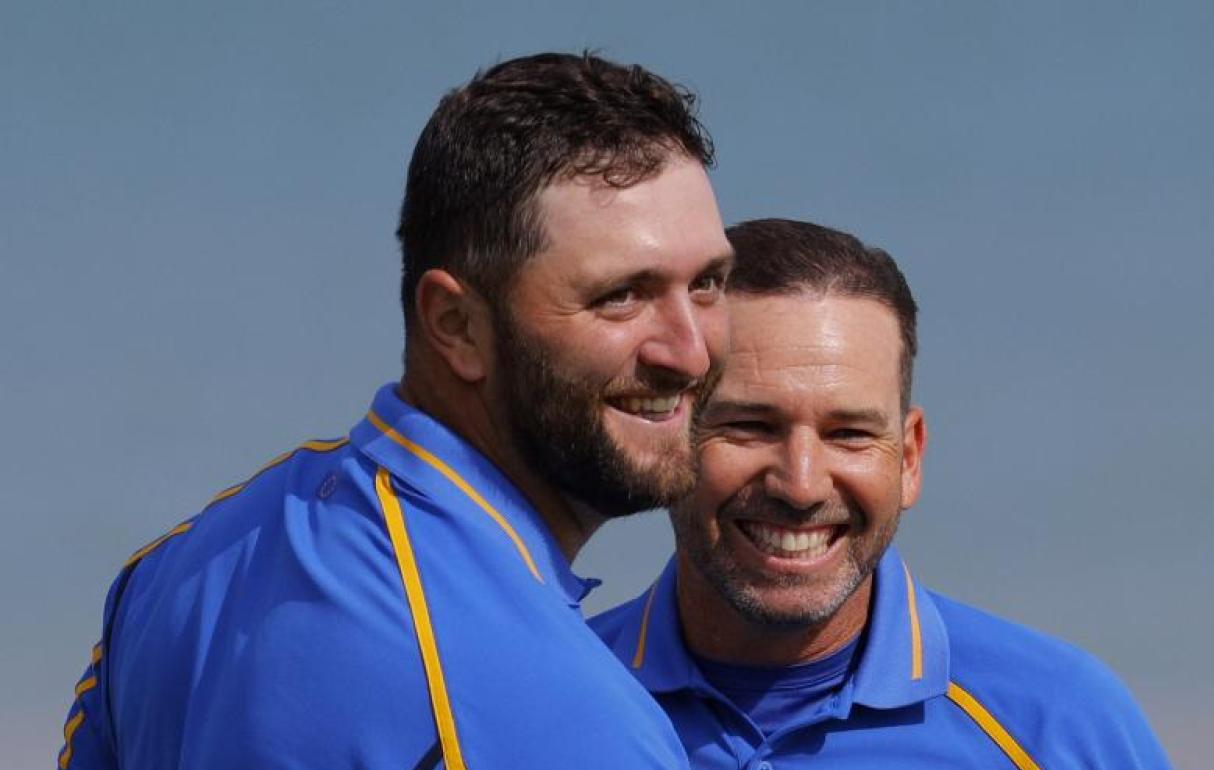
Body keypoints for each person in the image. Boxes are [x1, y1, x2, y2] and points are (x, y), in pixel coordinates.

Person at [58, 52, 735, 770]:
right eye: (621, 296)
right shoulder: (576, 719)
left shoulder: (179, 572)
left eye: (708, 283)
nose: (690, 353)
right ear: (456, 325)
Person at [592, 218, 1172, 769]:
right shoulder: (565, 695)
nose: (801, 485)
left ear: (910, 458)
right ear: (665, 435)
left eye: (849, 434)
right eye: (750, 426)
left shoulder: (1060, 726)